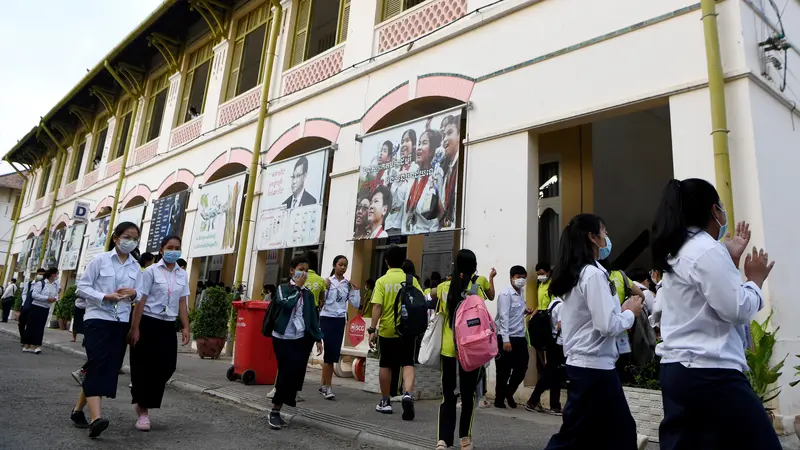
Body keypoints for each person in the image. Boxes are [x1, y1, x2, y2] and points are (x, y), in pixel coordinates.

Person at [651, 178, 780, 449]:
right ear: (713, 211)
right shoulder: (705, 248)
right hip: (710, 373)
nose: (724, 213)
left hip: (680, 370)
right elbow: (736, 308)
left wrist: (729, 259)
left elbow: (706, 301)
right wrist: (755, 280)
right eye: (721, 206)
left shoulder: (681, 248)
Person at [544, 213, 644, 450]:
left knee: (600, 433)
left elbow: (596, 320)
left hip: (591, 366)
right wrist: (630, 313)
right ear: (592, 237)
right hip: (593, 369)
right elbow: (606, 325)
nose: (607, 237)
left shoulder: (583, 272)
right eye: (604, 232)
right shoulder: (592, 274)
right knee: (583, 436)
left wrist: (621, 312)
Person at [71, 221, 142, 439]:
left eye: (135, 238)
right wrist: (105, 296)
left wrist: (133, 293)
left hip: (120, 321)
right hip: (97, 318)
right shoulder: (99, 260)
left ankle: (77, 411)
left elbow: (139, 296)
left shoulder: (136, 267)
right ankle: (96, 419)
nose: (130, 242)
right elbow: (82, 288)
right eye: (127, 237)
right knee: (98, 363)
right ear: (116, 238)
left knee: (106, 366)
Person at [128, 235, 190, 431]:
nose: (174, 250)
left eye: (177, 247)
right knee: (143, 366)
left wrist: (186, 326)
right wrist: (135, 328)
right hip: (148, 322)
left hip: (167, 325)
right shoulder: (151, 272)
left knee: (167, 366)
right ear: (162, 250)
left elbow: (182, 302)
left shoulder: (181, 274)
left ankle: (142, 395)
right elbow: (141, 300)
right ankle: (143, 411)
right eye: (170, 247)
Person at [432, 249, 491, 450]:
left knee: (447, 395)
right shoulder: (477, 289)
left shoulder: (443, 288)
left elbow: (438, 308)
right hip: (471, 351)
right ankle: (465, 439)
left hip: (449, 350)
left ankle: (443, 440)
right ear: (474, 267)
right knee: (468, 396)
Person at [268, 255, 324, 430]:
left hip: (301, 337)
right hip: (282, 337)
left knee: (296, 371)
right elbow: (285, 305)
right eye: (301, 269)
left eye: (307, 270)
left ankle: (287, 398)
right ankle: (275, 410)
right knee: (285, 371)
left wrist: (318, 338)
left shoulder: (307, 294)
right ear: (292, 271)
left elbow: (312, 316)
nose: (304, 273)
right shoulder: (283, 289)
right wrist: (297, 289)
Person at [368, 245, 422, 419]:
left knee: (386, 364)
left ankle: (385, 401)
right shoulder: (411, 280)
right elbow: (420, 302)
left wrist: (372, 329)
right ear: (403, 260)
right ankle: (407, 394)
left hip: (388, 329)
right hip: (407, 329)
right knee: (407, 362)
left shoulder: (382, 281)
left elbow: (377, 306)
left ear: (386, 262)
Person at [318, 255, 360, 399]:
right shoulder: (327, 281)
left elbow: (355, 303)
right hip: (326, 318)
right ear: (334, 265)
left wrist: (356, 290)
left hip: (339, 319)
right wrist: (325, 289)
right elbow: (320, 301)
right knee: (330, 355)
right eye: (340, 264)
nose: (342, 267)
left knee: (332, 354)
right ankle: (328, 388)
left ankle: (324, 384)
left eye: (345, 265)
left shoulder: (347, 284)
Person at [494, 265, 533, 409]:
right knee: (503, 370)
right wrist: (505, 340)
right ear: (511, 278)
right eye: (518, 277)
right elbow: (503, 317)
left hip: (520, 336)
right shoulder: (505, 294)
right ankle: (499, 400)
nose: (521, 280)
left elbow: (515, 312)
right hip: (506, 337)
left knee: (522, 367)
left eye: (523, 277)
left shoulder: (521, 292)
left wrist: (524, 311)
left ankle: (508, 392)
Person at [526, 290, 565, 415]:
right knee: (552, 374)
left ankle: (553, 404)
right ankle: (537, 401)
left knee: (553, 374)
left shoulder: (553, 303)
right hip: (559, 343)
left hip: (551, 342)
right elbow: (560, 325)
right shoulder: (562, 305)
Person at [404, 129, 440, 234]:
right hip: (409, 234)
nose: (419, 147)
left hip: (426, 235)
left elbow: (432, 217)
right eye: (419, 143)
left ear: (432, 151)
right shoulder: (413, 177)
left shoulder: (434, 179)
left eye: (424, 143)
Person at [386, 129, 417, 234]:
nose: (403, 144)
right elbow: (390, 201)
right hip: (390, 224)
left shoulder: (416, 169)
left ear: (413, 145)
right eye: (402, 141)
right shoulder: (394, 171)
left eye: (407, 140)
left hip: (406, 226)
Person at [434, 115, 460, 228]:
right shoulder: (446, 169)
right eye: (443, 135)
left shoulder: (462, 163)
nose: (444, 139)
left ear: (460, 135)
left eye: (449, 133)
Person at [25, 267, 60, 354]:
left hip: (45, 308)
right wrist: (47, 298)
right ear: (53, 274)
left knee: (40, 327)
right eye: (56, 274)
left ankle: (37, 345)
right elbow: (34, 295)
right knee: (31, 326)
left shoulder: (55, 285)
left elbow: (56, 295)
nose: (57, 276)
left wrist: (55, 298)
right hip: (36, 307)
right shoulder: (41, 283)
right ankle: (27, 345)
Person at [19, 268, 45, 346]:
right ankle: (23, 337)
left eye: (43, 275)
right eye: (40, 274)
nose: (41, 276)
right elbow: (24, 293)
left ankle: (27, 341)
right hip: (26, 305)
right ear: (36, 274)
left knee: (30, 324)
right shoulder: (30, 283)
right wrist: (24, 302)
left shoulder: (43, 285)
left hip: (35, 307)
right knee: (21, 323)